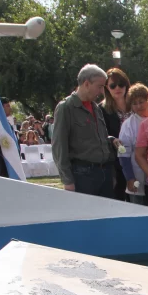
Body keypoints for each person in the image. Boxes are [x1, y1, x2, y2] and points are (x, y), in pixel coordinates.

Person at [52, 64, 115, 198]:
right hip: (83, 175)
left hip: (104, 171)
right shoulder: (66, 108)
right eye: (99, 86)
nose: (101, 91)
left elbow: (96, 136)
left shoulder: (96, 107)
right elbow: (59, 146)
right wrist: (67, 181)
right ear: (86, 84)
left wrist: (110, 140)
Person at [118, 83, 148, 205]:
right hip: (138, 178)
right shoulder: (128, 125)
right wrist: (130, 178)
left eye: (141, 101)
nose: (138, 106)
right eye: (134, 103)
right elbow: (123, 154)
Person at [102, 68, 131, 201]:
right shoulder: (101, 109)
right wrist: (112, 139)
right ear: (107, 88)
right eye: (113, 85)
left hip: (138, 157)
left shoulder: (136, 105)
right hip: (116, 161)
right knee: (119, 197)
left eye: (121, 84)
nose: (117, 88)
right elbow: (101, 134)